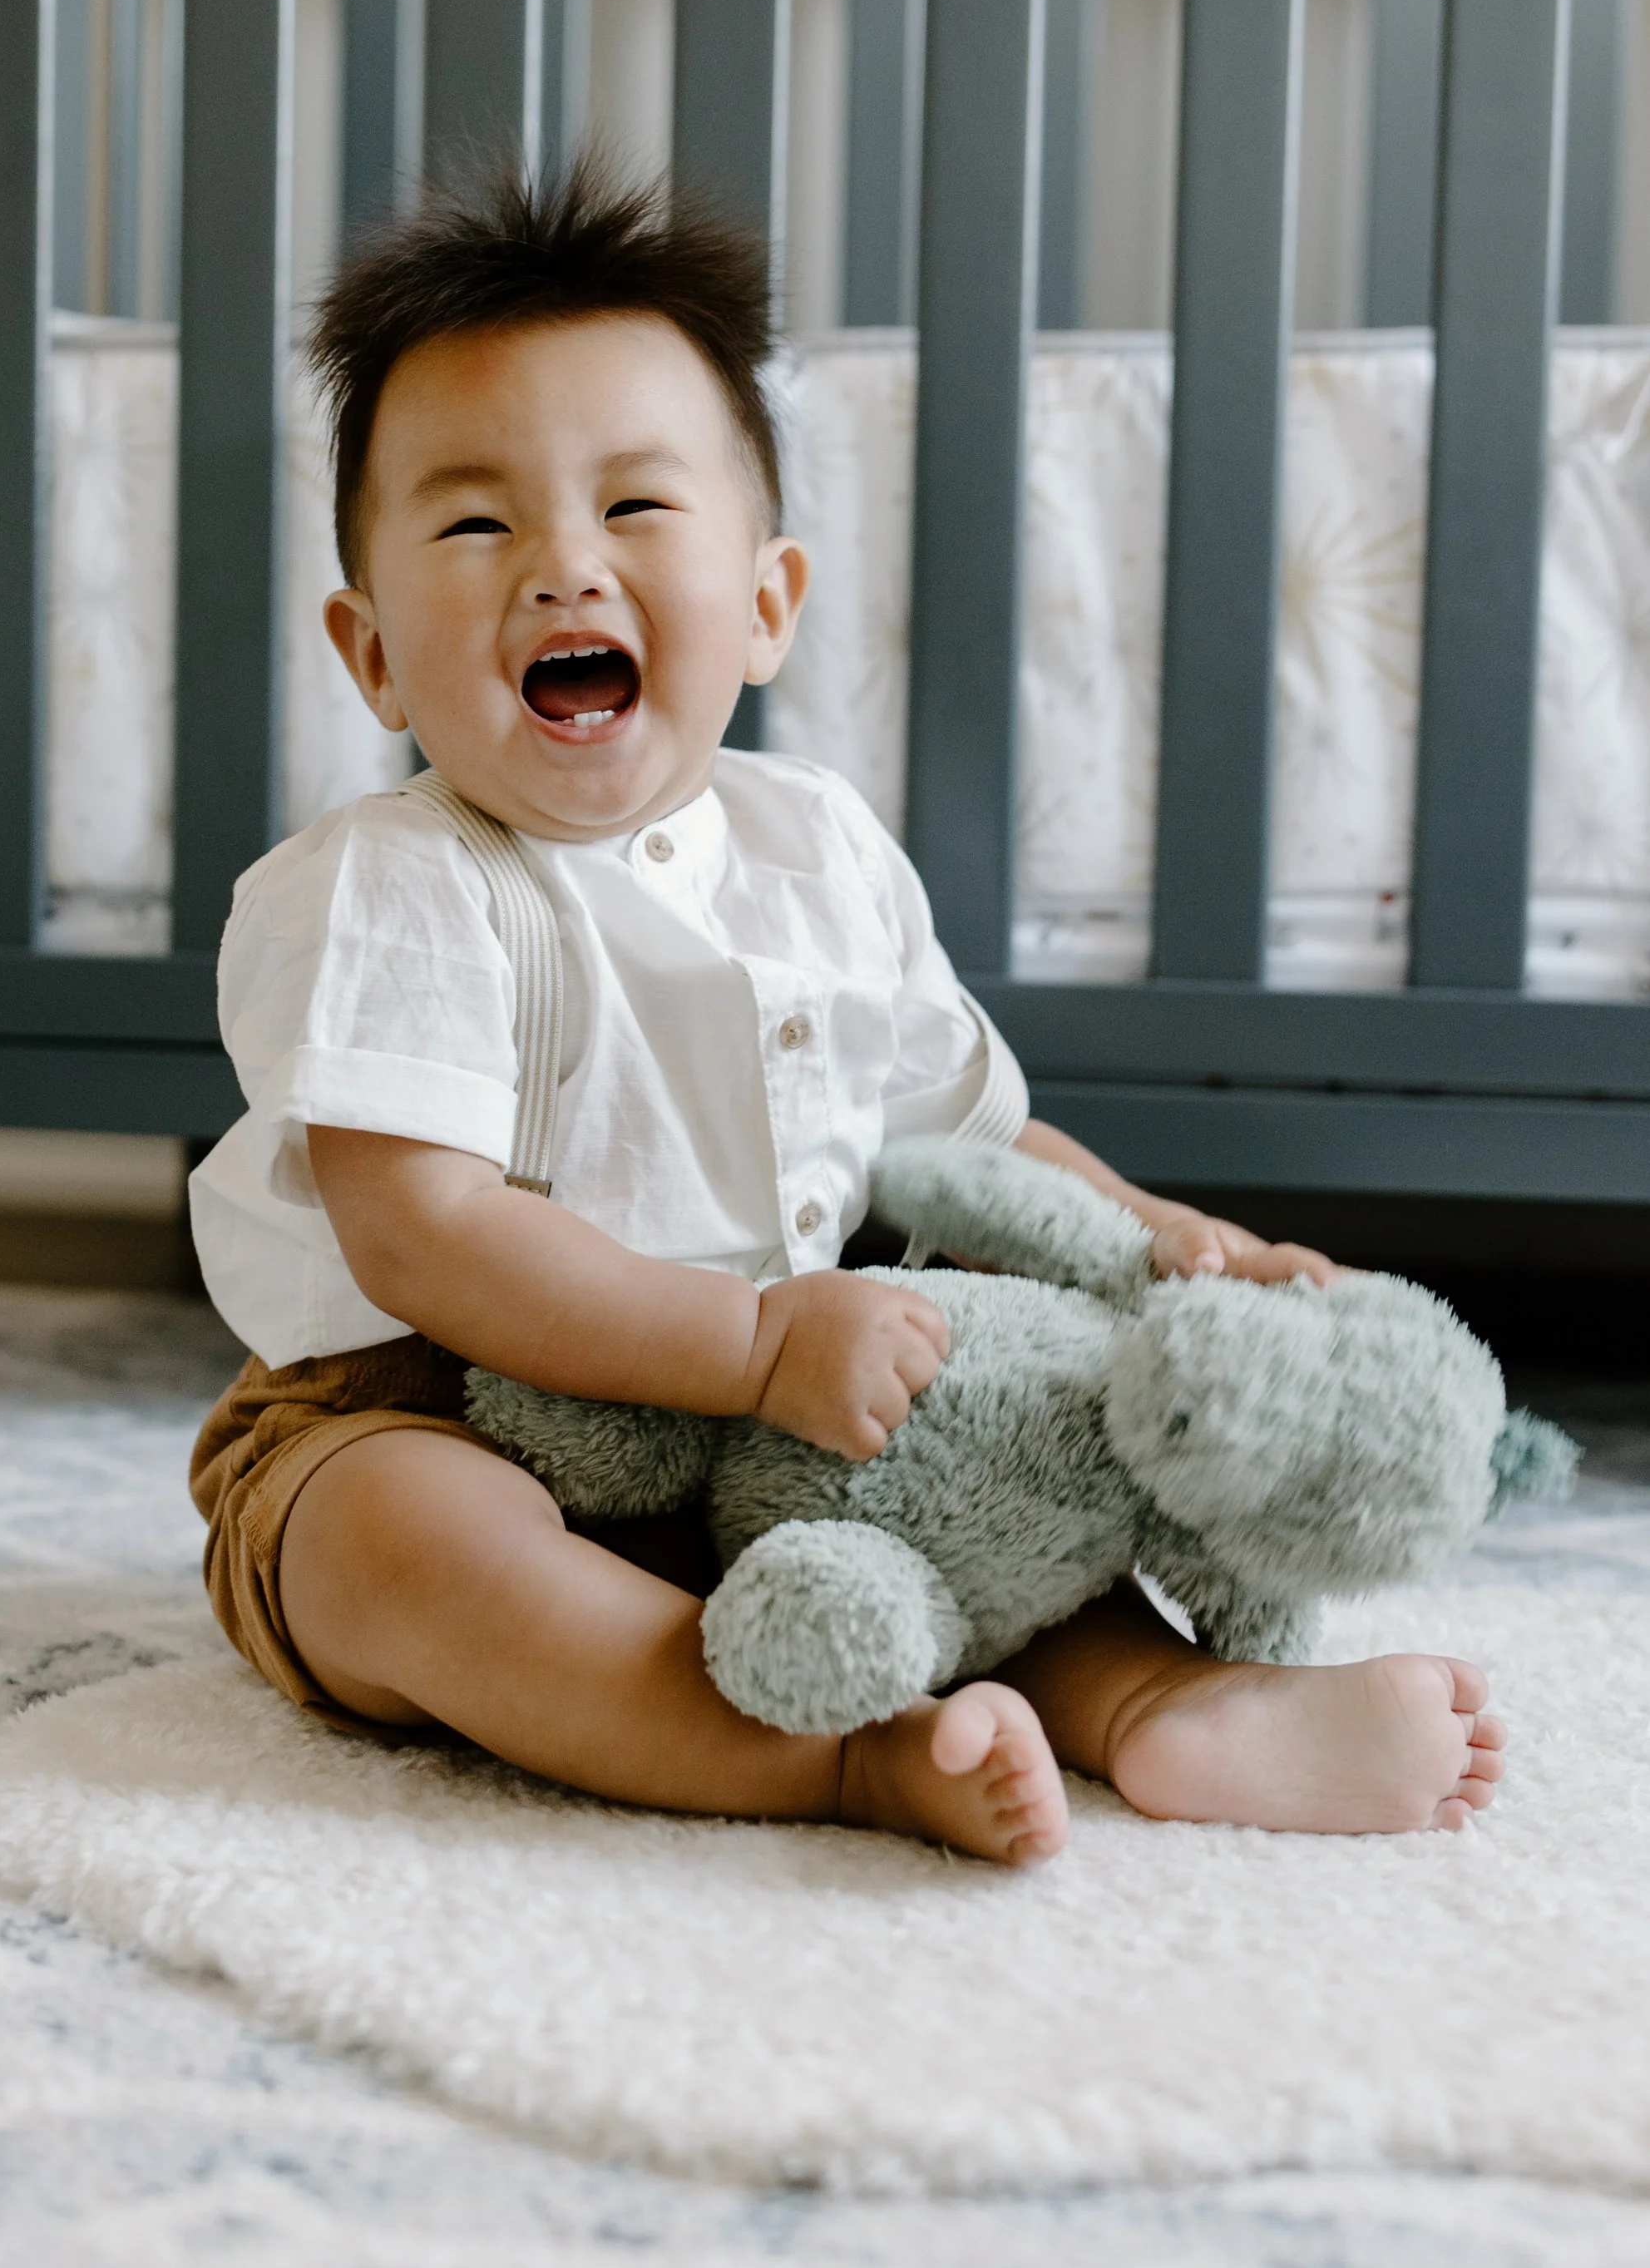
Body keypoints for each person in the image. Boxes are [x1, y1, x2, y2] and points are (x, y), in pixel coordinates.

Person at [188, 156, 1504, 1865]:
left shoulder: (812, 842)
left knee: (1002, 1456)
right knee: (398, 1548)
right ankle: (831, 1762)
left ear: (762, 605)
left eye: (635, 510)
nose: (560, 567)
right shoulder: (394, 882)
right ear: (370, 655)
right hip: (429, 1405)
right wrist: (739, 1350)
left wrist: (1162, 1235)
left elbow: (962, 1140)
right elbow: (419, 1234)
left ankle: (1158, 1707)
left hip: (794, 1429)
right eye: (472, 521)